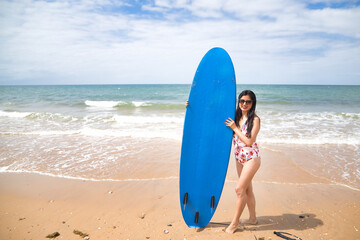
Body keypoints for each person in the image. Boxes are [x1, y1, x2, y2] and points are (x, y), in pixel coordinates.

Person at [224, 90, 261, 234]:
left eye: (248, 101)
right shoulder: (235, 117)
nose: (244, 104)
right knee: (247, 190)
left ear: (253, 103)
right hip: (239, 157)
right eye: (242, 101)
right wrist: (191, 106)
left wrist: (234, 128)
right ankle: (253, 219)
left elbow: (249, 141)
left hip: (252, 158)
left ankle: (235, 223)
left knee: (239, 189)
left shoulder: (255, 120)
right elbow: (212, 113)